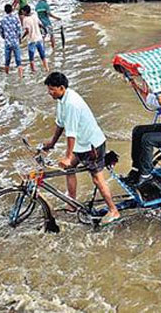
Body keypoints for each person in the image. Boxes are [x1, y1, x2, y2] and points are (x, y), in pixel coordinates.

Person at [42, 72, 121, 225]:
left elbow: (71, 134)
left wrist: (67, 156)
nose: (49, 92)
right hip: (81, 144)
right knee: (69, 169)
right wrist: (51, 143)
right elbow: (60, 123)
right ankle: (71, 202)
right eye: (49, 89)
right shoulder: (61, 100)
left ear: (62, 88)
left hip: (92, 145)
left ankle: (113, 210)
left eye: (52, 89)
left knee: (97, 179)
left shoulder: (71, 103)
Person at [20, 5, 49, 73]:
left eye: (23, 11)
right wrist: (45, 31)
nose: (22, 12)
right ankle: (47, 69)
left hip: (32, 40)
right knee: (43, 56)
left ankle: (33, 72)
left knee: (31, 59)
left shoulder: (25, 19)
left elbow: (27, 31)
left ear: (25, 11)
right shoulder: (35, 16)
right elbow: (41, 25)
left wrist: (21, 38)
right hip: (39, 38)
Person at [0, 4, 23, 77]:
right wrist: (19, 38)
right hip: (15, 42)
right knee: (18, 61)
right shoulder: (15, 18)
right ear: (12, 10)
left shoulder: (2, 20)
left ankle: (7, 75)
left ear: (5, 11)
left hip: (7, 43)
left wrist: (5, 38)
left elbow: (1, 32)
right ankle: (20, 77)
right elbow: (19, 31)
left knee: (7, 61)